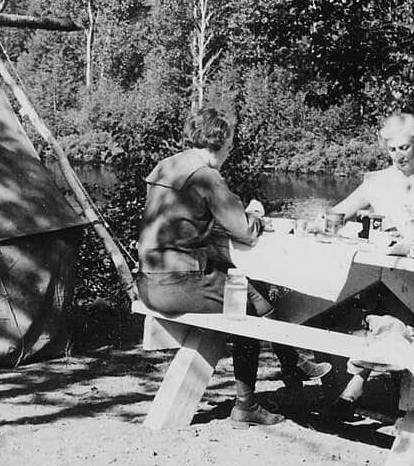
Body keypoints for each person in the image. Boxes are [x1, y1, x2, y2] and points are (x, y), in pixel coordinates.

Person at [135, 108, 330, 428]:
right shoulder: (206, 176)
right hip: (175, 285)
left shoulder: (167, 166)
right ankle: (247, 404)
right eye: (230, 143)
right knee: (245, 303)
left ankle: (293, 362)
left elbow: (179, 223)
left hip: (148, 280)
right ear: (220, 141)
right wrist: (256, 215)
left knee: (251, 289)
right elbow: (245, 231)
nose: (231, 150)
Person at [327, 112, 414, 419]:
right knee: (360, 296)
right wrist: (322, 223)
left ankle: (356, 386)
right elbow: (340, 212)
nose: (399, 155)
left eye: (405, 147)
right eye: (392, 149)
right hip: (385, 274)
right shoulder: (377, 182)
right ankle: (367, 389)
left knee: (390, 309)